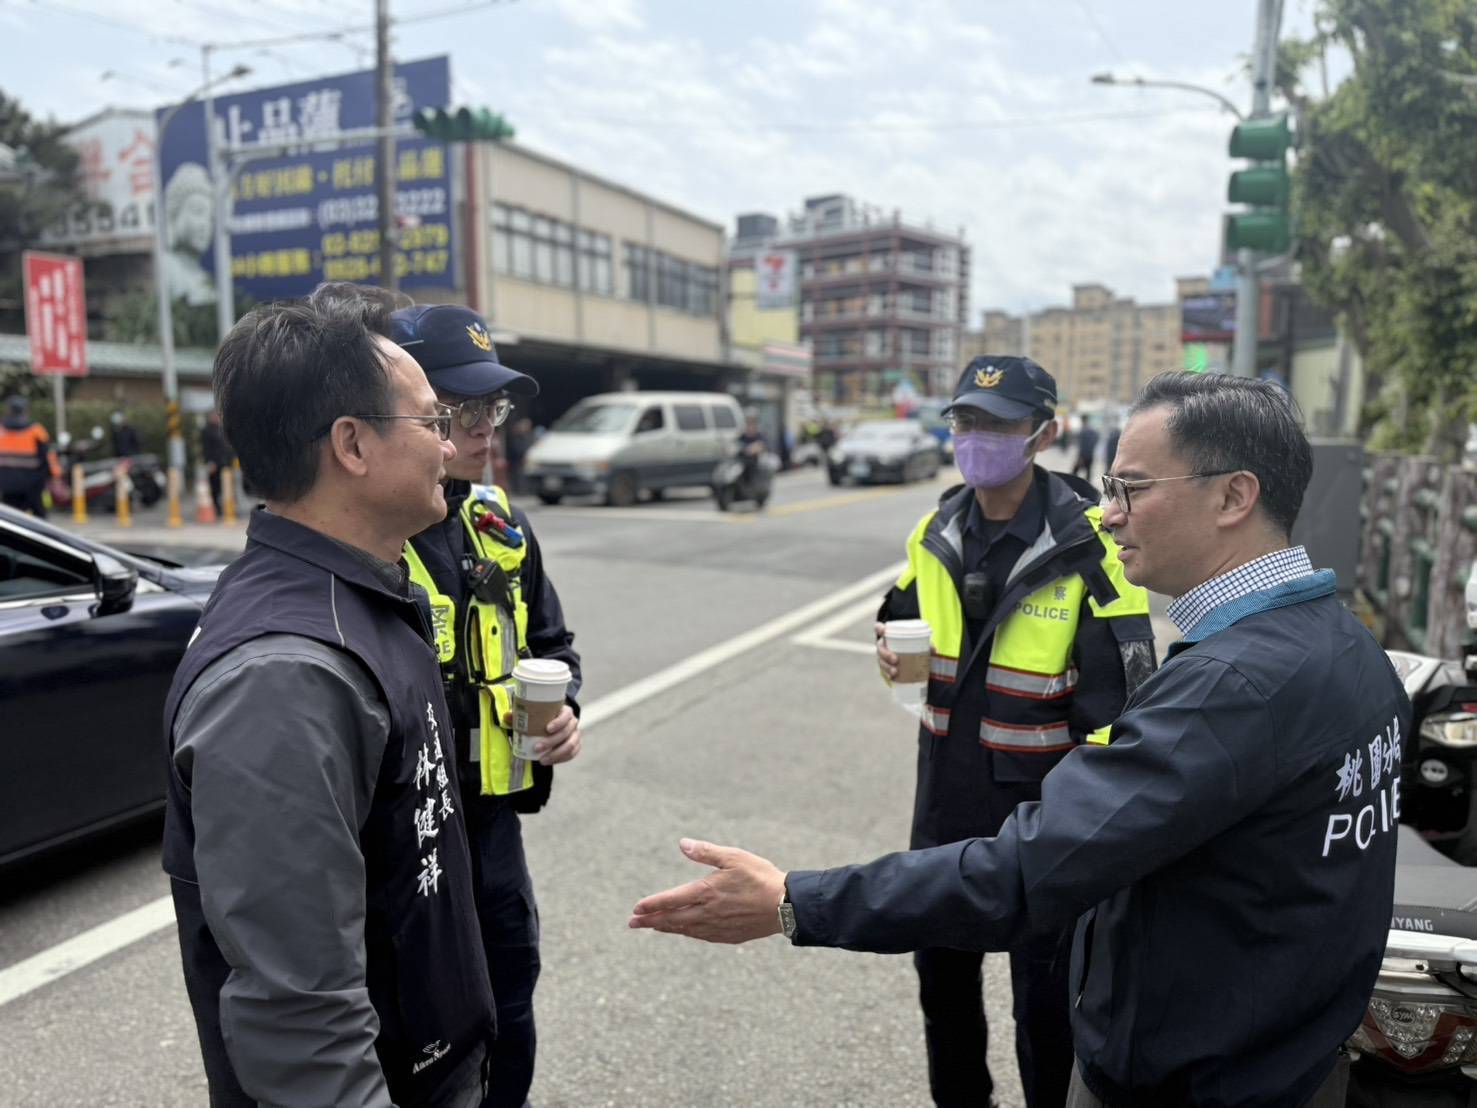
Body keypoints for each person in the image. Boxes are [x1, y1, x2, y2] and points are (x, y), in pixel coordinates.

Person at [629, 371, 1410, 1108]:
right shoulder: (1348, 650)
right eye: (1108, 489)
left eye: (1131, 489)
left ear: (1234, 496)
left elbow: (1026, 873)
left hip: (1190, 1078)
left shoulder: (1233, 687)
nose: (1110, 513)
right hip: (1283, 1058)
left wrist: (793, 902)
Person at [161, 293, 495, 1107]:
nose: (450, 445)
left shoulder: (356, 597)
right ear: (352, 443)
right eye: (430, 421)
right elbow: (298, 1013)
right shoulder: (285, 675)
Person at [871, 355, 1155, 1108]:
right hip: (942, 808)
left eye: (997, 424)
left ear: (1043, 433)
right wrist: (888, 639)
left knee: (1046, 1012)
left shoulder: (1092, 544)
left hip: (1043, 825)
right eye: (965, 420)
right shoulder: (936, 527)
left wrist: (1090, 835)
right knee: (943, 992)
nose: (977, 437)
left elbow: (1123, 709)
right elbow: (899, 608)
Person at [386, 300, 584, 1107]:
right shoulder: (374, 534)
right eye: (462, 408)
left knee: (510, 1004)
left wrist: (564, 703)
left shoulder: (500, 521)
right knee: (423, 1034)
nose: (483, 428)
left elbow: (554, 644)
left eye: (490, 407)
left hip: (494, 831)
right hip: (410, 843)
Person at [0, 395, 58, 517]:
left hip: (8, 486)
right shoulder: (35, 431)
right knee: (39, 521)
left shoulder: (1, 430)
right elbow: (48, 457)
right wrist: (53, 476)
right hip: (34, 485)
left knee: (12, 521)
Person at [200, 409, 232, 517]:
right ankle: (217, 508)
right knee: (215, 486)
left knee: (226, 487)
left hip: (225, 462)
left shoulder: (223, 429)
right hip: (214, 462)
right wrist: (210, 462)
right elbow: (206, 448)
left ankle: (228, 508)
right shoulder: (207, 430)